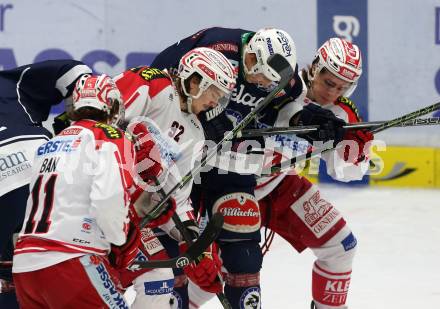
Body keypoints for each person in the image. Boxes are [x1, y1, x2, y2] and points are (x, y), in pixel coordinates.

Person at [190, 38, 373, 309]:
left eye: (342, 88)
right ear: (314, 69)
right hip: (229, 184)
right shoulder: (279, 83)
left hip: (279, 186)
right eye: (328, 83)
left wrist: (355, 149)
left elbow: (345, 171)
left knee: (341, 247)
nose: (332, 93)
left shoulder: (341, 113)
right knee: (210, 274)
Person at [150, 27, 325, 309]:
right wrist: (203, 122)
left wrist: (308, 121)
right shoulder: (215, 48)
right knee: (173, 262)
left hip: (230, 164)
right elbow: (158, 89)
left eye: (270, 82)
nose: (262, 85)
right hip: (180, 159)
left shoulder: (284, 77)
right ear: (252, 57)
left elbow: (286, 109)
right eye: (260, 77)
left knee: (245, 258)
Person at [113, 46, 237, 308]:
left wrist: (193, 241)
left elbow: (176, 197)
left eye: (221, 96)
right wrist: (133, 148)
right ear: (194, 81)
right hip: (97, 199)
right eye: (214, 91)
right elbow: (104, 124)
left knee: (159, 279)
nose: (216, 102)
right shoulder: (152, 83)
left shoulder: (195, 133)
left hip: (129, 216)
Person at [11, 74, 139, 308]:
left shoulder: (49, 144)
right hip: (71, 260)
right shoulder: (109, 137)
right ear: (111, 105)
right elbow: (108, 198)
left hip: (25, 267)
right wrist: (119, 239)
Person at [0, 60, 92, 308]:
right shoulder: (9, 82)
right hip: (43, 164)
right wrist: (83, 113)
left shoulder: (9, 82)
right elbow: (75, 73)